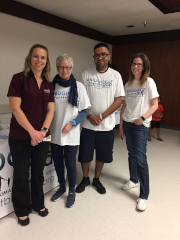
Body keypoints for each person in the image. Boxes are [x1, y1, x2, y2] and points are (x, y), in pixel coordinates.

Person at [7, 44, 55, 226]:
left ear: (46, 61)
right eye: (36, 56)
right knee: (20, 173)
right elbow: (14, 108)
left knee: (38, 172)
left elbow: (51, 110)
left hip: (43, 136)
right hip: (21, 136)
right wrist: (31, 131)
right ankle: (21, 209)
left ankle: (38, 203)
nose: (39, 60)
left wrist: (42, 131)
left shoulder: (49, 84)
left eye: (43, 57)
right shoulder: (19, 79)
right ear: (30, 58)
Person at [76, 43, 125, 194]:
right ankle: (85, 178)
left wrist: (102, 116)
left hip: (107, 126)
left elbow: (118, 100)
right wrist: (89, 116)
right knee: (85, 154)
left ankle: (96, 179)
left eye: (103, 54)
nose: (100, 58)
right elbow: (80, 98)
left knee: (102, 154)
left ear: (109, 56)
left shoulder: (115, 75)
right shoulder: (86, 74)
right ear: (94, 57)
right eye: (97, 55)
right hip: (88, 125)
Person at [119, 52, 159, 211]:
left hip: (140, 125)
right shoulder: (127, 84)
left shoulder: (149, 82)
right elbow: (124, 106)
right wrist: (121, 126)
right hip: (128, 124)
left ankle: (143, 196)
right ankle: (133, 180)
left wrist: (142, 118)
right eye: (133, 64)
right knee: (131, 154)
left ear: (144, 67)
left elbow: (155, 105)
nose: (135, 67)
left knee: (141, 158)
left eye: (139, 64)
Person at [50, 54, 91, 207]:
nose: (64, 70)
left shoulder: (78, 87)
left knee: (71, 164)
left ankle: (71, 190)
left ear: (71, 68)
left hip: (71, 134)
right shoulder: (51, 85)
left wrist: (72, 123)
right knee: (58, 164)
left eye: (67, 67)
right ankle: (61, 187)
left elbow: (85, 111)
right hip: (54, 133)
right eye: (61, 67)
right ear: (57, 68)